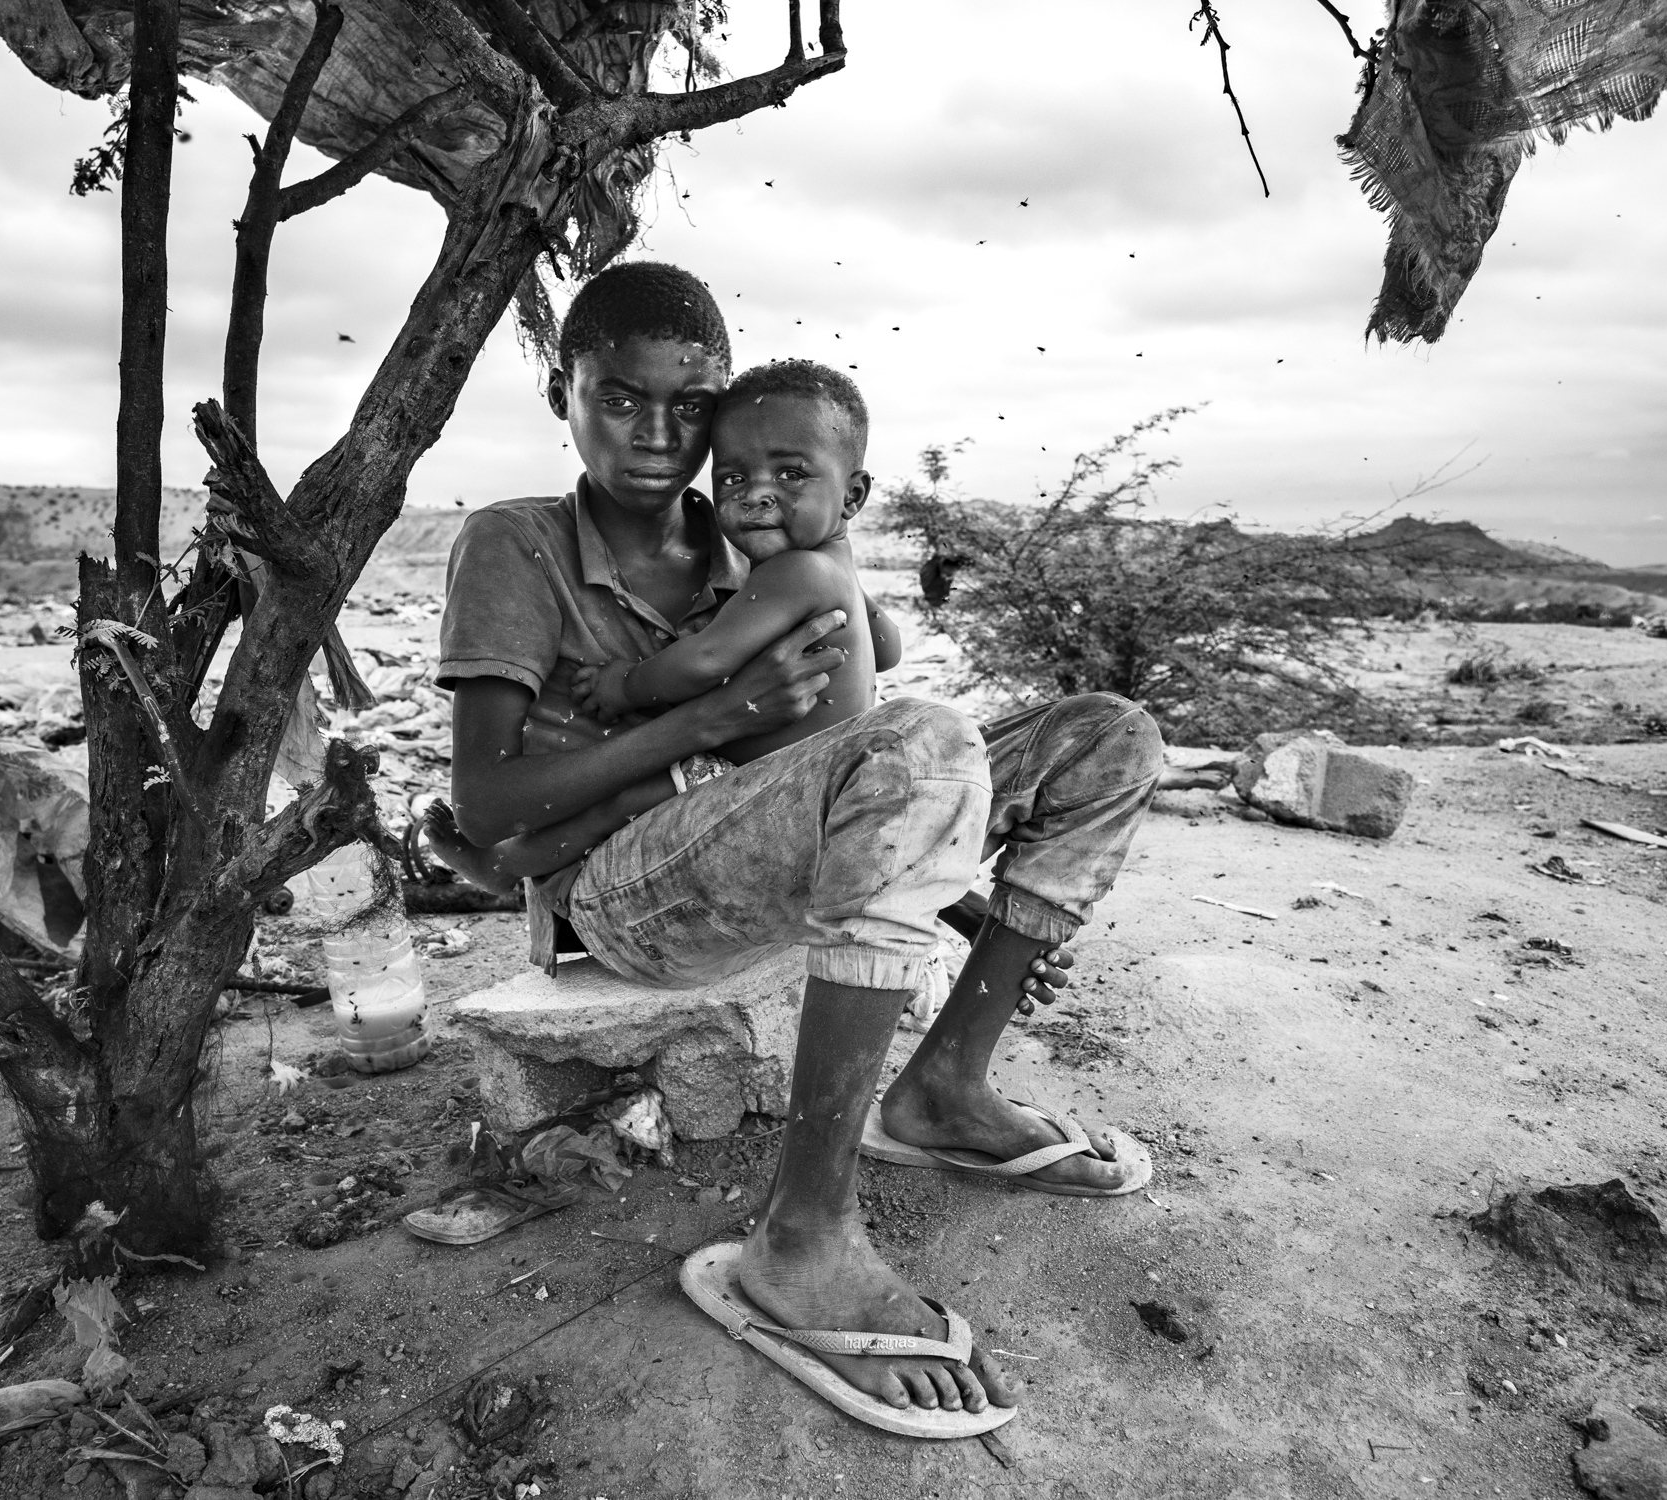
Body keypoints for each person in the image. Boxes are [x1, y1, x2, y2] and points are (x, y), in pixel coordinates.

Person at [433, 261, 1164, 1421]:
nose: (656, 434)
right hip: (627, 892)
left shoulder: (758, 537)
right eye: (616, 397)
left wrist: (947, 874)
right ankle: (801, 1233)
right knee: (920, 741)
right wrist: (706, 719)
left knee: (1105, 737)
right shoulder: (515, 543)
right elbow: (484, 806)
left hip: (774, 841)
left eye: (689, 405)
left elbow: (856, 683)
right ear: (560, 392)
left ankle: (943, 1090)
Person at [422, 357, 891, 889]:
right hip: (816, 792)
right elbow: (888, 648)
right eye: (734, 478)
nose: (756, 494)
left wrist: (625, 685)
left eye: (791, 475)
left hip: (771, 786)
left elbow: (706, 658)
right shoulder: (835, 572)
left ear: (853, 495)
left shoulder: (793, 571)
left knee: (628, 800)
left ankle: (500, 866)